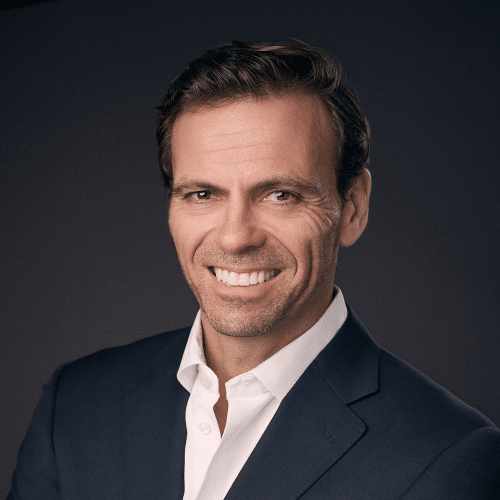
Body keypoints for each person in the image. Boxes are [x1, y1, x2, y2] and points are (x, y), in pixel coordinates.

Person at [8, 40, 500, 500]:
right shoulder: (75, 403)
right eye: (203, 194)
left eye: (280, 195)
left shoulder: (453, 459)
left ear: (352, 208)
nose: (235, 237)